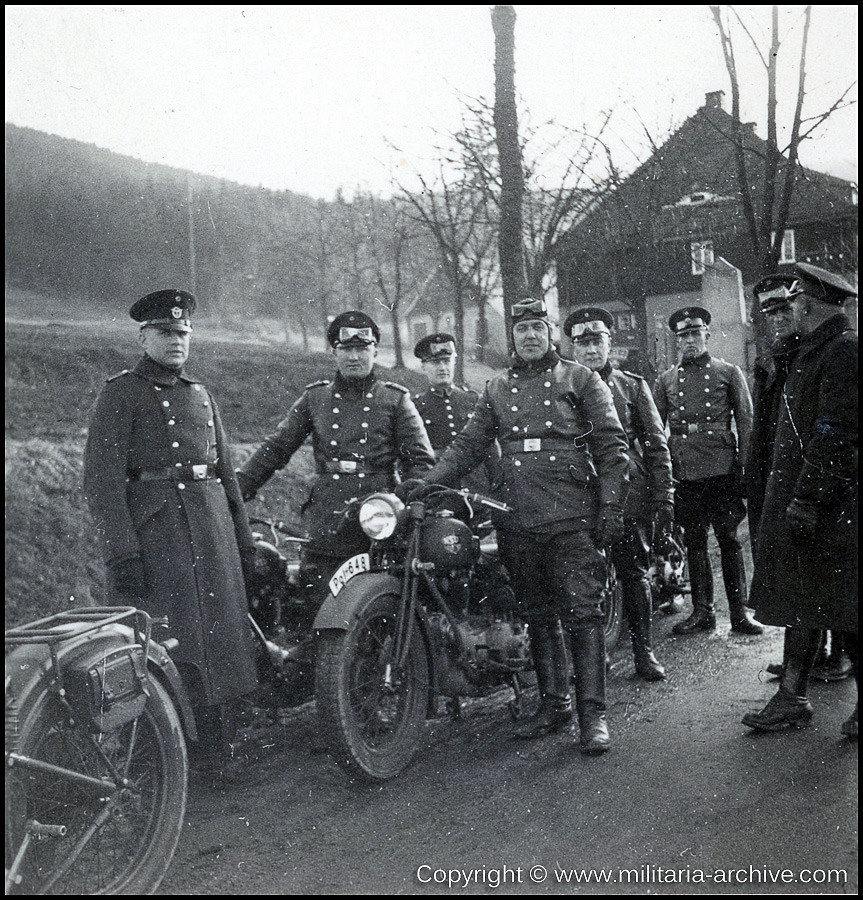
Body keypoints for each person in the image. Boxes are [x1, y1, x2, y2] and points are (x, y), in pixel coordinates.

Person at [402, 299, 630, 754]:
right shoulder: (497, 389)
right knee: (538, 614)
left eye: (537, 328)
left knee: (583, 615)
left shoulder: (580, 379)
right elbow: (469, 444)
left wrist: (611, 508)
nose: (530, 336)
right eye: (521, 329)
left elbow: (611, 447)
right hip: (517, 517)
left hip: (570, 516)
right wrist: (428, 484)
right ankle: (554, 703)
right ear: (513, 337)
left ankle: (593, 716)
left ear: (551, 333)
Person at [83, 288, 259, 762]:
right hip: (157, 537)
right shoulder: (121, 394)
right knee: (167, 643)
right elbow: (102, 483)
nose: (176, 341)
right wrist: (123, 553)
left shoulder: (200, 394)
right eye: (165, 333)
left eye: (183, 333)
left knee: (219, 639)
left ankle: (221, 746)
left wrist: (242, 543)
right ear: (144, 337)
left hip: (211, 531)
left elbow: (226, 478)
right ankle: (159, 754)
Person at [236, 310, 435, 593]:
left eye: (361, 348)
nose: (354, 357)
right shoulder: (315, 399)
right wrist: (238, 487)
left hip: (378, 514)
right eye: (346, 349)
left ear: (375, 351)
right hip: (328, 513)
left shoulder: (395, 399)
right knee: (318, 596)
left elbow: (420, 461)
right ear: (334, 353)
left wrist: (403, 505)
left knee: (381, 595)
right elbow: (277, 448)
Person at [741, 264, 857, 737]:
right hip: (807, 503)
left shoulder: (843, 352)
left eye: (787, 306)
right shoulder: (808, 354)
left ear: (808, 303)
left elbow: (837, 433)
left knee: (844, 606)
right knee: (806, 599)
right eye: (769, 310)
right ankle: (792, 697)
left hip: (833, 505)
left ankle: (793, 697)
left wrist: (808, 499)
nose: (778, 317)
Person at [566, 307, 674, 681]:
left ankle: (643, 650)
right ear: (573, 348)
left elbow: (656, 444)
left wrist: (664, 496)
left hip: (628, 492)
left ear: (610, 344)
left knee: (633, 571)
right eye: (583, 343)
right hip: (579, 492)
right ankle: (596, 658)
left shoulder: (632, 385)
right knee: (585, 578)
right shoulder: (564, 387)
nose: (591, 350)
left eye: (598, 341)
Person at [653, 306, 763, 636]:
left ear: (706, 335)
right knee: (695, 541)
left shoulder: (728, 372)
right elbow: (657, 428)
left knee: (729, 540)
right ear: (676, 341)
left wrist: (744, 467)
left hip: (722, 468)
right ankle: (703, 613)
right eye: (682, 336)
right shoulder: (666, 380)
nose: (689, 340)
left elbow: (746, 421)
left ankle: (740, 613)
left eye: (694, 333)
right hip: (685, 470)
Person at [412, 332, 500, 491]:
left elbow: (490, 449)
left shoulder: (473, 400)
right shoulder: (415, 406)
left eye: (446, 361)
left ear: (454, 362)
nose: (442, 368)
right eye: (435, 363)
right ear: (423, 366)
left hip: (475, 484)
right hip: (437, 485)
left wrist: (497, 483)